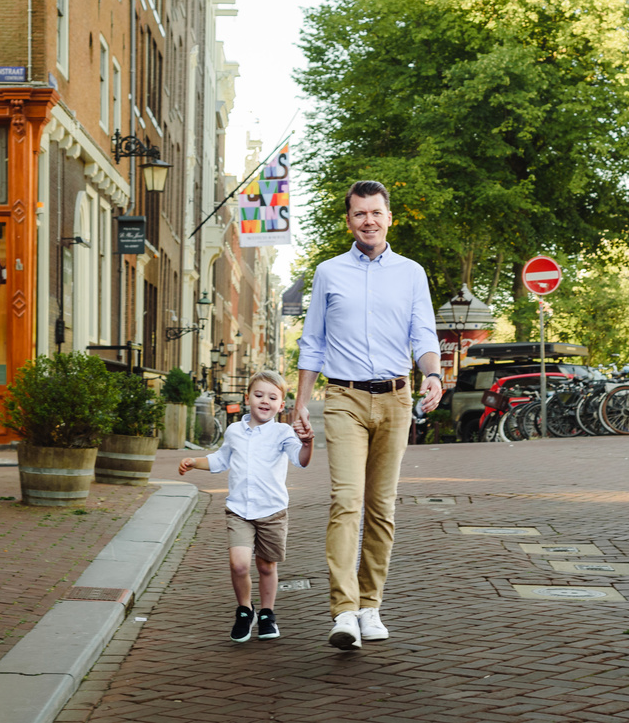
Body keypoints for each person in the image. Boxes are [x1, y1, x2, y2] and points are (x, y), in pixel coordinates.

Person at [293, 180, 442, 650]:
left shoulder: (411, 273)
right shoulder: (329, 273)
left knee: (382, 507)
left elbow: (424, 333)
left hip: (396, 399)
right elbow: (312, 341)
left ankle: (370, 606)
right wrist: (300, 402)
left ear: (389, 217)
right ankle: (343, 612)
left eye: (376, 212)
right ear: (349, 221)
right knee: (346, 502)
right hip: (343, 399)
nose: (368, 221)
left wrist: (433, 376)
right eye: (359, 214)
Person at [179, 370, 314, 643]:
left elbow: (301, 460)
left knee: (266, 567)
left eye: (272, 397)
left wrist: (308, 443)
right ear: (247, 398)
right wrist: (196, 462)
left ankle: (267, 613)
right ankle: (244, 609)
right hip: (239, 510)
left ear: (281, 404)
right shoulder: (234, 431)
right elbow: (220, 460)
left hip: (272, 512)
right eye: (259, 394)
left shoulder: (283, 432)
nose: (265, 401)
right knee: (239, 565)